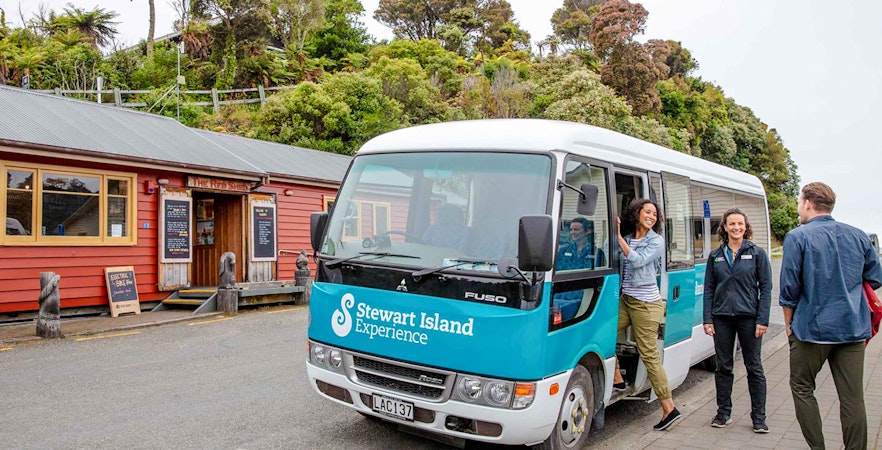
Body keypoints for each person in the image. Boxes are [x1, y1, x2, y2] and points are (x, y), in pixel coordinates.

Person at [779, 182, 882, 450]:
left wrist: (788, 324)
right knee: (853, 398)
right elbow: (875, 277)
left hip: (811, 330)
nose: (799, 207)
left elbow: (789, 289)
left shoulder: (797, 237)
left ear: (809, 204)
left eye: (799, 202)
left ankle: (818, 447)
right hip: (852, 327)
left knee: (802, 387)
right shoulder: (858, 235)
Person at [611, 199, 681, 431]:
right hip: (627, 300)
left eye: (654, 213)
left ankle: (669, 408)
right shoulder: (630, 238)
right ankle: (618, 380)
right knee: (602, 334)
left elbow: (639, 261)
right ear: (637, 213)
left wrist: (618, 236)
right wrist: (615, 232)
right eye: (647, 212)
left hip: (647, 305)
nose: (651, 216)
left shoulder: (656, 241)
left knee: (649, 354)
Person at [702, 208, 772, 433]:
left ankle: (759, 418)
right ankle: (723, 413)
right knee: (723, 367)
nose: (736, 228)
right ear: (724, 227)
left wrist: (763, 319)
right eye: (732, 224)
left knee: (754, 367)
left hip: (749, 319)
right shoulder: (715, 256)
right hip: (721, 318)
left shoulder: (757, 253)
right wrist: (707, 319)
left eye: (740, 224)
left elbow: (766, 288)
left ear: (746, 226)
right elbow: (709, 290)